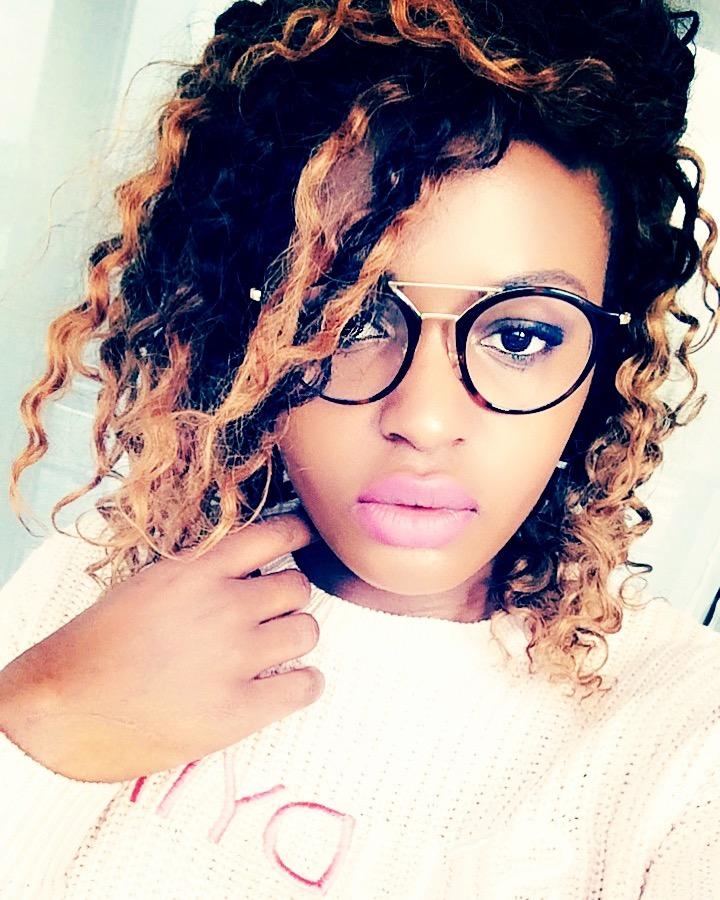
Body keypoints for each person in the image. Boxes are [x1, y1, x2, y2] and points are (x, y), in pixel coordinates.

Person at [0, 0, 718, 896]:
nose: (426, 418)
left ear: (604, 364)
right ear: (247, 332)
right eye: (349, 319)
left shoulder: (687, 740)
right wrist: (42, 723)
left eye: (522, 336)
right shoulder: (92, 585)